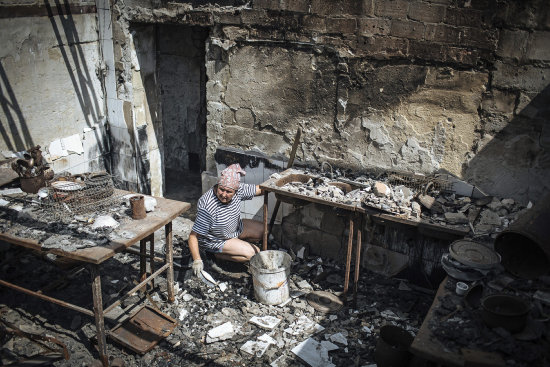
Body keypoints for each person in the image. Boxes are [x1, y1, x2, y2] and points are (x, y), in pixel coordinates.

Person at [188, 163, 264, 277]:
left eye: (228, 192)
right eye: (221, 189)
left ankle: (236, 246)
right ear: (218, 185)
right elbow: (193, 236)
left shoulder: (238, 190)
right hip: (216, 240)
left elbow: (260, 190)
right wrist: (197, 259)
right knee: (254, 253)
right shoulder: (208, 206)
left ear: (236, 190)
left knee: (264, 230)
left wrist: (276, 183)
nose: (224, 194)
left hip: (234, 229)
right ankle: (216, 255)